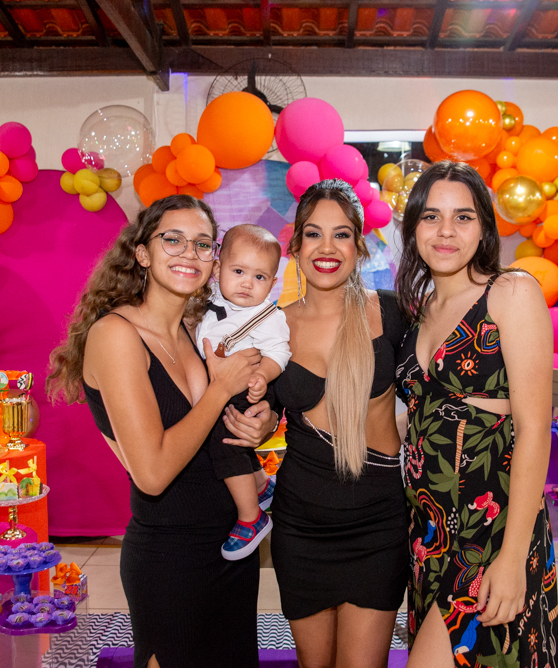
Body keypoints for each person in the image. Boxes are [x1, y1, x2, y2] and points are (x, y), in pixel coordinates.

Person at [47, 195, 278, 668]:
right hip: (170, 555)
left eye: (202, 244)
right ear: (143, 253)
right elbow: (152, 474)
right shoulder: (116, 335)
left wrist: (262, 423)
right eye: (173, 240)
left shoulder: (197, 328)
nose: (189, 253)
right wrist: (220, 389)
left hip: (233, 545)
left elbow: (227, 416)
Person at [394, 162, 558, 667]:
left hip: (491, 530)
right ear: (413, 228)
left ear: (484, 227)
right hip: (429, 535)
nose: (445, 231)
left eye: (462, 217)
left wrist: (511, 558)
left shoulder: (511, 293)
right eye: (431, 216)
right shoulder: (418, 311)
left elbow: (535, 430)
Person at [270, 179, 410, 668]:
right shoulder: (273, 327)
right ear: (295, 245)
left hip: (378, 525)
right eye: (313, 234)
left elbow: (436, 395)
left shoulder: (391, 314)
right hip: (301, 526)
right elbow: (261, 413)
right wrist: (252, 423)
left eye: (342, 234)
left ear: (360, 245)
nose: (327, 248)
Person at [196, 224, 291, 561]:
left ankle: (251, 518)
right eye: (238, 272)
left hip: (245, 388)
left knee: (225, 444)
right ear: (217, 269)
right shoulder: (208, 301)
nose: (247, 283)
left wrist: (263, 376)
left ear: (273, 282)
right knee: (230, 441)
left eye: (260, 277)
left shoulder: (266, 316)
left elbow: (280, 352)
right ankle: (261, 484)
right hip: (218, 385)